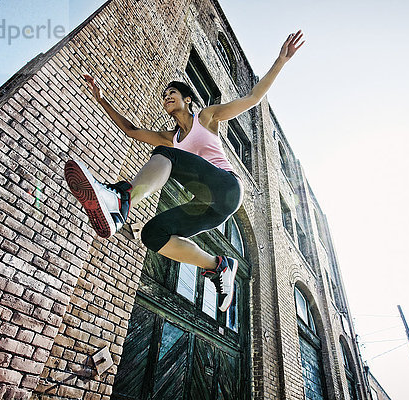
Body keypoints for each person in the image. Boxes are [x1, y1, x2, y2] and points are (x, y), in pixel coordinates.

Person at [64, 30, 304, 312]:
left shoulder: (207, 117)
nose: (167, 97)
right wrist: (102, 99)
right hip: (210, 208)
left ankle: (120, 201)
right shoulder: (171, 138)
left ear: (187, 99)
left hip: (227, 188)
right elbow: (131, 130)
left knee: (168, 156)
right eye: (164, 96)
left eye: (172, 93)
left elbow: (252, 97)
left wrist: (281, 61)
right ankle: (218, 265)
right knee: (153, 234)